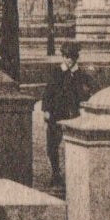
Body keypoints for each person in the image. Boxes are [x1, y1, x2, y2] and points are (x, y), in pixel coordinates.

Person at [40, 41, 92, 187]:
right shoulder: (56, 72)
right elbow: (48, 92)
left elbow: (85, 93)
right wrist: (46, 110)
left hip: (73, 114)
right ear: (62, 56)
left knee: (74, 145)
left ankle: (74, 173)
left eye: (71, 57)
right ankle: (55, 173)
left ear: (76, 58)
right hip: (56, 113)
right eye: (66, 57)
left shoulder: (80, 75)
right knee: (52, 145)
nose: (68, 60)